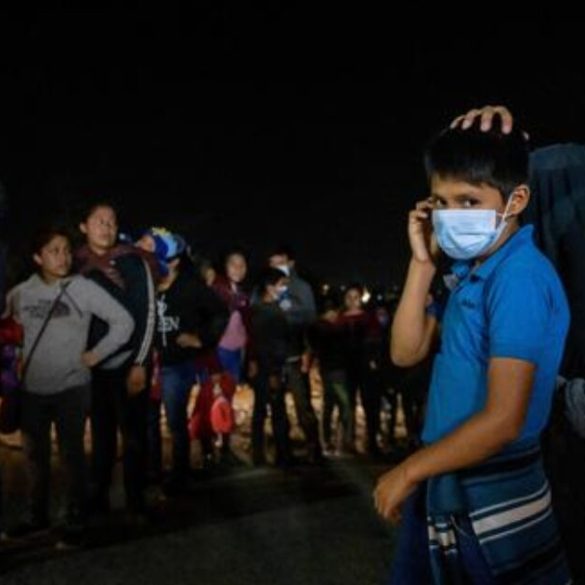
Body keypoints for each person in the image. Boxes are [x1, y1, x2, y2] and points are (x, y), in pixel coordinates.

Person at [374, 117, 571, 583]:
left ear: (516, 200)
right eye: (441, 202)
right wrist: (422, 262)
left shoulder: (518, 277)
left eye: (468, 201)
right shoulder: (471, 272)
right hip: (449, 479)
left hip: (491, 498)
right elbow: (405, 352)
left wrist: (409, 472)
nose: (451, 215)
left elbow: (504, 420)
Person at [6, 227, 133, 547]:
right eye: (53, 251)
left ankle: (74, 517)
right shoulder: (21, 293)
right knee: (34, 457)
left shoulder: (83, 288)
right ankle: (36, 516)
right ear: (37, 258)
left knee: (71, 456)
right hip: (32, 390)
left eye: (65, 250)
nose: (62, 257)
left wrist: (96, 354)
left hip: (72, 389)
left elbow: (124, 322)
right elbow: (12, 332)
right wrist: (16, 359)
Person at [76, 202, 157, 519]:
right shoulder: (75, 264)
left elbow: (147, 313)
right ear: (84, 226)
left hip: (128, 364)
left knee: (134, 435)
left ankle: (136, 499)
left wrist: (140, 363)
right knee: (101, 436)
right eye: (99, 221)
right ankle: (98, 500)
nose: (106, 227)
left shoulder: (133, 262)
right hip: (93, 367)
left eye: (111, 222)